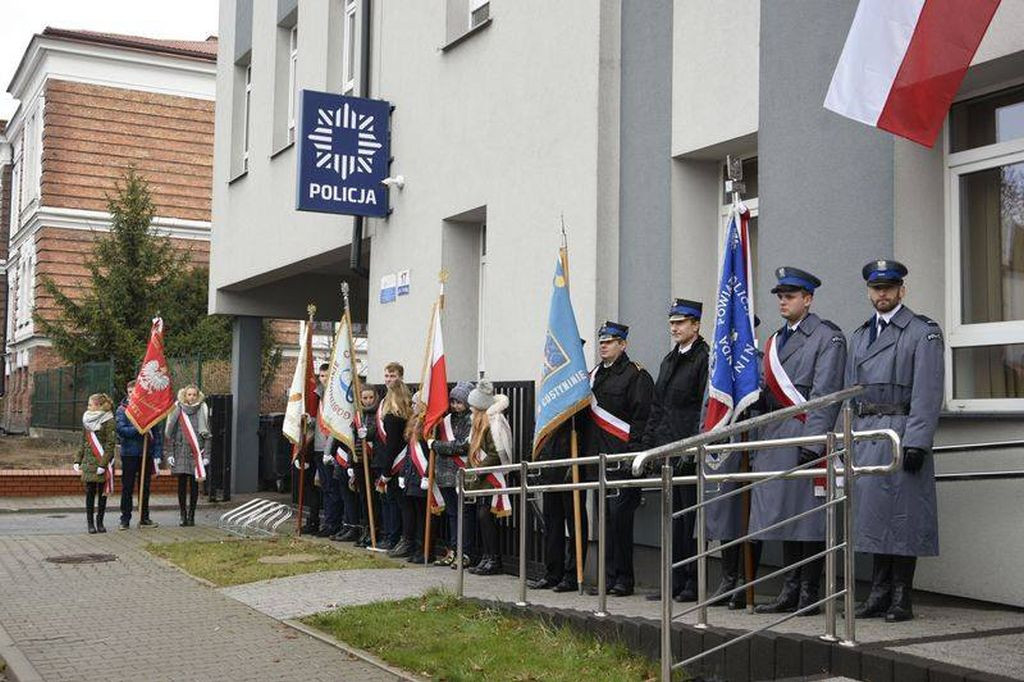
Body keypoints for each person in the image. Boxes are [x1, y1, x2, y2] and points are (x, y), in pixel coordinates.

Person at [848, 260, 943, 623]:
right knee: (872, 518)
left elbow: (928, 389)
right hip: (867, 433)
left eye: (889, 287)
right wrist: (846, 441)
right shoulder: (859, 336)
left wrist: (918, 440)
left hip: (902, 432)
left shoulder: (922, 332)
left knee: (904, 518)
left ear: (902, 290)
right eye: (876, 288)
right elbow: (848, 394)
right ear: (869, 292)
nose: (882, 294)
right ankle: (878, 591)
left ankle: (902, 596)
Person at [751, 267, 846, 616]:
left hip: (805, 433)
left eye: (790, 296)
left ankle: (810, 591)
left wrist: (815, 442)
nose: (783, 302)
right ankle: (789, 588)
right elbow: (766, 388)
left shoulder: (827, 337)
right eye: (780, 296)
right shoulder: (775, 341)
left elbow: (826, 393)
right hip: (776, 434)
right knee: (784, 515)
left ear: (808, 299)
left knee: (809, 517)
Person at [642, 299, 709, 603]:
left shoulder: (703, 358)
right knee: (672, 520)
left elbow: (702, 407)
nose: (675, 327)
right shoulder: (669, 360)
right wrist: (650, 447)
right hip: (669, 451)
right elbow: (658, 407)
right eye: (672, 323)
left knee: (690, 521)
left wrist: (694, 445)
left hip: (689, 450)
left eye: (681, 322)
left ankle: (693, 582)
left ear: (695, 325)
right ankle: (674, 579)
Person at [583, 321, 654, 597]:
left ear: (623, 345)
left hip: (623, 462)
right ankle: (608, 578)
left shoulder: (636, 376)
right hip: (600, 461)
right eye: (601, 340)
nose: (604, 344)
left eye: (610, 341)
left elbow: (642, 418)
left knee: (621, 522)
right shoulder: (594, 376)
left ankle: (624, 579)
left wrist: (635, 457)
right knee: (605, 523)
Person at [527, 419, 587, 592]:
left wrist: (577, 463)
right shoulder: (549, 400)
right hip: (550, 468)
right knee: (552, 525)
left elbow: (585, 433)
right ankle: (553, 573)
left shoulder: (576, 402)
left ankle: (573, 575)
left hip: (572, 467)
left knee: (575, 524)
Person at [464, 380, 513, 576]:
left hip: (491, 476)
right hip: (482, 475)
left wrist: (478, 470)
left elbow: (496, 453)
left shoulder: (494, 422)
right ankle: (487, 556)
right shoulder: (478, 422)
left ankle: (494, 559)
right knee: (482, 517)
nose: (471, 409)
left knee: (486, 517)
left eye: (473, 406)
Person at [429, 381, 476, 567]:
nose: (456, 406)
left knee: (464, 514)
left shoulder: (471, 420)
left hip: (459, 473)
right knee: (451, 514)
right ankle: (453, 549)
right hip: (443, 473)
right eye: (453, 402)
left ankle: (465, 552)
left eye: (460, 402)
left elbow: (463, 446)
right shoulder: (445, 420)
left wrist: (437, 445)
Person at [332, 383, 379, 543]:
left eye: (371, 397)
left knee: (373, 499)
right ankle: (365, 528)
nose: (368, 401)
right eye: (364, 398)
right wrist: (351, 463)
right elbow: (351, 441)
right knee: (363, 498)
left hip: (372, 462)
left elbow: (378, 435)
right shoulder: (358, 415)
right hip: (358, 461)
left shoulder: (377, 414)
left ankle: (374, 530)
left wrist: (370, 433)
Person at [116, 380, 163, 530]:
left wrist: (157, 453)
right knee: (127, 488)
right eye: (130, 392)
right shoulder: (122, 410)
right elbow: (122, 430)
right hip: (129, 453)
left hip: (145, 453)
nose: (133, 394)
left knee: (145, 487)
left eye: (136, 392)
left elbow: (156, 433)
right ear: (127, 393)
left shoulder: (149, 409)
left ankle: (144, 517)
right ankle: (125, 519)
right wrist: (139, 427)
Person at [374, 362, 411, 552]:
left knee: (395, 502)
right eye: (386, 376)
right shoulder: (384, 403)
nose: (389, 380)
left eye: (392, 376)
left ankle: (394, 537)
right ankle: (390, 536)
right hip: (388, 460)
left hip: (395, 463)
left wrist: (387, 471)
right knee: (387, 501)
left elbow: (392, 444)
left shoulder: (395, 414)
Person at [164, 385, 212, 527]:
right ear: (185, 395)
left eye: (194, 395)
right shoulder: (177, 409)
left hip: (196, 453)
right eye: (189, 394)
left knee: (194, 486)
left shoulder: (202, 410)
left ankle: (192, 515)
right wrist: (170, 453)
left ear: (198, 396)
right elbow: (170, 434)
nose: (191, 397)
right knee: (181, 485)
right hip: (180, 452)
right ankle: (182, 515)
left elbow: (208, 435)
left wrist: (206, 455)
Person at [306, 363, 342, 537]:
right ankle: (328, 522)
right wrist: (309, 420)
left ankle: (333, 524)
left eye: (327, 376)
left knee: (332, 489)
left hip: (330, 449)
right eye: (321, 376)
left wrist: (329, 452)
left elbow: (333, 426)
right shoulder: (320, 396)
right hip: (318, 447)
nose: (323, 379)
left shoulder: (335, 399)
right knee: (325, 488)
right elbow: (321, 423)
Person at [76, 393, 116, 534]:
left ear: (98, 406)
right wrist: (77, 459)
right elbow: (83, 441)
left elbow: (110, 444)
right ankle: (90, 523)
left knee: (102, 494)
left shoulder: (109, 420)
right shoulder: (87, 419)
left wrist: (103, 464)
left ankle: (100, 522)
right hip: (89, 461)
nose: (88, 407)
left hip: (101, 462)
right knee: (89, 493)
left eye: (90, 404)